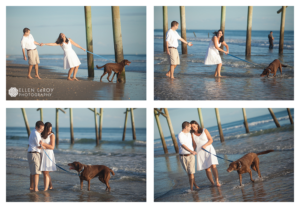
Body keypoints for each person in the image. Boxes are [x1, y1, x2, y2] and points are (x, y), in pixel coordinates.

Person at [190, 120, 221, 187]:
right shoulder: (192, 135)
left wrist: (205, 145)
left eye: (194, 126)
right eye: (192, 127)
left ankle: (217, 182)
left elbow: (211, 140)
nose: (193, 128)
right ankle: (212, 183)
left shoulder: (204, 130)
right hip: (200, 152)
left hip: (209, 149)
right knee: (207, 168)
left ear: (197, 125)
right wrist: (191, 151)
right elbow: (194, 145)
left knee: (213, 165)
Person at [177, 121, 199, 191]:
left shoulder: (190, 134)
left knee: (191, 172)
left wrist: (193, 150)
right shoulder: (180, 135)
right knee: (189, 173)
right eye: (190, 127)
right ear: (186, 127)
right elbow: (183, 145)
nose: (191, 128)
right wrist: (191, 151)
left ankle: (191, 189)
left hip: (191, 156)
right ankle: (195, 185)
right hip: (183, 156)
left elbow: (197, 135)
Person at [27, 121, 44, 192]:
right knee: (36, 172)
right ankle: (36, 188)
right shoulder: (36, 134)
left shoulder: (33, 132)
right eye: (41, 129)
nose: (42, 131)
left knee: (33, 172)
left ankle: (32, 187)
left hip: (30, 153)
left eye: (43, 129)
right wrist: (43, 145)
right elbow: (39, 145)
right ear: (36, 127)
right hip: (34, 153)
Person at [39, 122, 56, 191]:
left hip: (48, 154)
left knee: (46, 172)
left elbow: (52, 147)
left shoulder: (52, 135)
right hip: (42, 154)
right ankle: (51, 186)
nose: (49, 131)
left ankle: (45, 189)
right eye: (48, 130)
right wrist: (42, 146)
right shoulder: (41, 134)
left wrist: (43, 144)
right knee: (44, 172)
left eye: (50, 130)